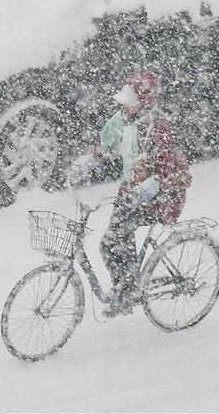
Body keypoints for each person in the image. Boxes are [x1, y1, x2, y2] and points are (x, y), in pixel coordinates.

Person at [71, 70, 193, 317]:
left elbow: (168, 169)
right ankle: (126, 287)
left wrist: (150, 186)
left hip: (159, 197)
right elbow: (108, 144)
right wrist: (89, 159)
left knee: (113, 241)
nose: (124, 105)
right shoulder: (124, 121)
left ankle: (128, 291)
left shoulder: (156, 128)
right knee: (112, 243)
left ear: (143, 102)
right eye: (124, 101)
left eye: (130, 101)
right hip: (131, 193)